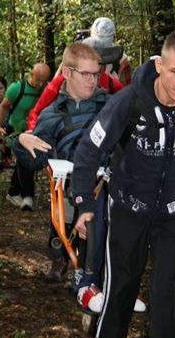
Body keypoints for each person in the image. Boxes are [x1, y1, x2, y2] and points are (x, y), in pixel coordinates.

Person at [71, 30, 175, 338]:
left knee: (166, 292)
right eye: (174, 71)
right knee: (122, 279)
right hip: (128, 205)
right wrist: (83, 202)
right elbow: (89, 150)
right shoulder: (129, 101)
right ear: (159, 65)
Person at [11, 42, 109, 306]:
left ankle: (95, 285)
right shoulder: (52, 114)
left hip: (111, 188)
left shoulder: (112, 107)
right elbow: (36, 158)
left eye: (96, 74)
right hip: (71, 189)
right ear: (66, 73)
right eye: (85, 74)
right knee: (67, 221)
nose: (92, 81)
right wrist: (21, 143)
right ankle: (68, 267)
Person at [0, 62, 50, 211]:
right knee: (26, 155)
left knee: (26, 159)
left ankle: (14, 192)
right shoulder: (16, 88)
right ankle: (27, 196)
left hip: (34, 131)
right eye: (38, 79)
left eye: (43, 81)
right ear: (31, 75)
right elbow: (3, 106)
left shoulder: (45, 90)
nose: (40, 84)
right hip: (15, 130)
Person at [89, 17, 132, 86]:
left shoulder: (80, 56)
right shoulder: (122, 60)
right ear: (113, 36)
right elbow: (126, 92)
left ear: (91, 33)